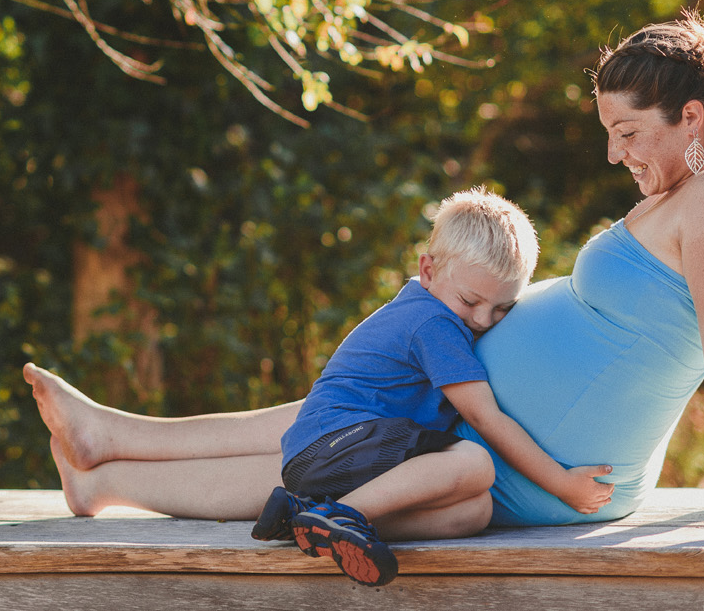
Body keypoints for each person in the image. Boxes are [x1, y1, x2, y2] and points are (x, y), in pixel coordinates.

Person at [24, 14, 704, 545]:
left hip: (536, 457)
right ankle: (112, 440)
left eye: (627, 130)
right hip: (506, 423)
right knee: (330, 413)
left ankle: (114, 473)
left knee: (319, 452)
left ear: (690, 117)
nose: (613, 151)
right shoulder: (698, 197)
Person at [252, 188, 613, 587]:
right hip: (335, 444)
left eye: (502, 308)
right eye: (470, 301)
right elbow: (484, 416)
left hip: (327, 460)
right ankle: (334, 517)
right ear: (428, 271)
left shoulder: (432, 305)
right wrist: (562, 484)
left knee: (473, 512)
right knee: (474, 463)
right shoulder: (434, 323)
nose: (483, 320)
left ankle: (310, 521)